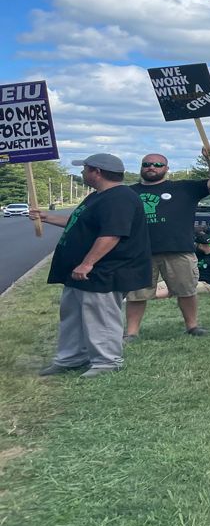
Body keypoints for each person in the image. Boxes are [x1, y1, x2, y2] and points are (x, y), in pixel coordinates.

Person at [32, 154, 151, 378]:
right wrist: (47, 218)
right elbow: (81, 222)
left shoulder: (119, 198)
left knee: (101, 316)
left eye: (85, 168)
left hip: (106, 270)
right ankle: (71, 357)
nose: (82, 172)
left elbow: (112, 233)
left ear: (97, 172)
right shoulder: (99, 196)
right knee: (72, 315)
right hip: (82, 271)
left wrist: (87, 263)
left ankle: (107, 362)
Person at [123, 147, 210, 340]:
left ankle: (192, 326)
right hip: (140, 252)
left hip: (179, 250)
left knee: (186, 291)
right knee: (137, 294)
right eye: (146, 164)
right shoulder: (128, 192)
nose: (151, 167)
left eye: (157, 164)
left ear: (166, 168)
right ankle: (131, 332)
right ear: (141, 168)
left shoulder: (184, 188)